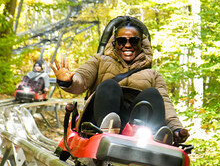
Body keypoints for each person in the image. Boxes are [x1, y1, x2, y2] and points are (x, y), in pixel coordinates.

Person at [51, 15, 190, 145]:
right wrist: (68, 81)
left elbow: (165, 103)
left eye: (134, 41)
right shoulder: (99, 61)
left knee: (153, 94)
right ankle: (108, 127)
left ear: (141, 44)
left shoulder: (153, 75)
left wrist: (176, 129)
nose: (127, 45)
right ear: (114, 43)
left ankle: (157, 138)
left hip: (136, 124)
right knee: (110, 85)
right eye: (122, 41)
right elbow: (82, 79)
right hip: (100, 118)